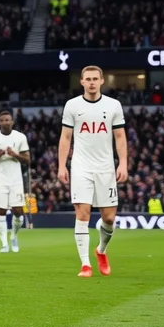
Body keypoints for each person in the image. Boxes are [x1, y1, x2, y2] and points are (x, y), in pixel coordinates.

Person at [58, 66, 127, 277]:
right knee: (83, 212)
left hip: (105, 167)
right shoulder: (72, 105)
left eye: (95, 79)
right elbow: (66, 137)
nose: (91, 82)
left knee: (108, 219)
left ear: (102, 81)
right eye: (87, 79)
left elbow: (120, 137)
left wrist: (122, 163)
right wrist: (62, 165)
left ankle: (101, 251)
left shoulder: (113, 105)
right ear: (81, 82)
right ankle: (85, 264)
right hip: (81, 167)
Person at [0, 110, 30, 253]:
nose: (5, 122)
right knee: (1, 211)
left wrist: (15, 154)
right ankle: (4, 244)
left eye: (7, 120)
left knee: (18, 212)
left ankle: (14, 236)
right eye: (2, 120)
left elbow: (27, 160)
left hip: (15, 179)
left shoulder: (20, 137)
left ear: (12, 122)